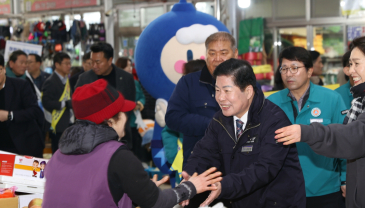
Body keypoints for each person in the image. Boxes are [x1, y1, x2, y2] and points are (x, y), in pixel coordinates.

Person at [42, 79, 223, 208]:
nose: (127, 117)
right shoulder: (117, 156)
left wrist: (141, 192)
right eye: (123, 112)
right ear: (110, 121)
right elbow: (156, 203)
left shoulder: (58, 154)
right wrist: (191, 187)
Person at [275, 35, 365, 208]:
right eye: (350, 64)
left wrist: (307, 132)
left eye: (356, 64)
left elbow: (356, 136)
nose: (349, 71)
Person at [183, 59, 305, 207]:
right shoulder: (220, 119)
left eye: (227, 91)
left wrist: (224, 186)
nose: (220, 98)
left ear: (248, 91)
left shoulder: (275, 121)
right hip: (239, 201)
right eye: (217, 90)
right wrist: (190, 176)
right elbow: (204, 152)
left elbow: (264, 169)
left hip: (274, 202)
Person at [166, 32, 238, 207]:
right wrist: (213, 125)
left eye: (223, 53)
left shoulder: (246, 84)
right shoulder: (189, 83)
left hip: (237, 173)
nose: (217, 58)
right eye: (212, 53)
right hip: (199, 172)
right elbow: (173, 118)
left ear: (235, 54)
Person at [268, 47, 347, 208]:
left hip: (325, 190)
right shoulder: (271, 103)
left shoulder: (332, 99)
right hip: (283, 191)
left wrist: (346, 178)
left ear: (309, 71)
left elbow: (345, 141)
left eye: (295, 68)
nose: (289, 73)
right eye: (284, 68)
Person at [75, 42, 136, 149]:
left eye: (98, 62)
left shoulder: (126, 78)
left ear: (109, 60)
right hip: (93, 138)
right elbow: (78, 107)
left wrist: (115, 123)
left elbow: (130, 103)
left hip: (121, 135)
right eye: (92, 62)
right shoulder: (84, 79)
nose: (94, 66)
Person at [0, 54, 44, 157]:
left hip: (24, 146)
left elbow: (35, 111)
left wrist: (10, 115)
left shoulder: (21, 85)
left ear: (4, 70)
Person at [115, 57, 150, 163]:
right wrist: (130, 105)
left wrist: (139, 104)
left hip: (135, 120)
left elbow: (142, 97)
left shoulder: (135, 82)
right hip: (122, 121)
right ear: (121, 67)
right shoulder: (116, 83)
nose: (131, 68)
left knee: (136, 147)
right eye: (128, 66)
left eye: (131, 65)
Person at [42, 52, 73, 153]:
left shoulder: (67, 80)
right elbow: (46, 102)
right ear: (57, 64)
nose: (69, 66)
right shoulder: (51, 81)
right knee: (58, 153)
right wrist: (65, 104)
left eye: (70, 63)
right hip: (57, 125)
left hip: (68, 123)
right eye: (66, 63)